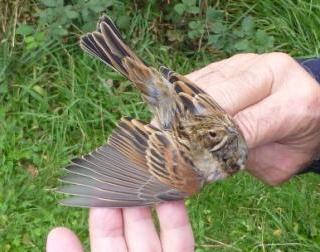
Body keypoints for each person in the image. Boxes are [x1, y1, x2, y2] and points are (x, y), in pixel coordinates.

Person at [46, 53, 320, 252]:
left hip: (175, 100)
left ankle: (115, 52)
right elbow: (146, 166)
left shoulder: (199, 159)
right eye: (228, 165)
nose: (228, 173)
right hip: (170, 108)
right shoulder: (187, 173)